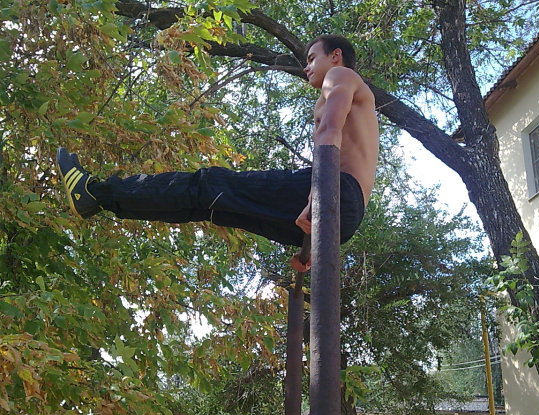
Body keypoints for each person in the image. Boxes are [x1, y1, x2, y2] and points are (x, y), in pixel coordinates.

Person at [56, 35, 380, 272]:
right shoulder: (348, 97)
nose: (306, 67)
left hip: (335, 191)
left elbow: (330, 131)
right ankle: (99, 200)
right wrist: (315, 248)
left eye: (311, 58)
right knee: (209, 206)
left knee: (207, 184)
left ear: (335, 56)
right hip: (345, 217)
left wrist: (320, 195)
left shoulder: (341, 75)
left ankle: (98, 192)